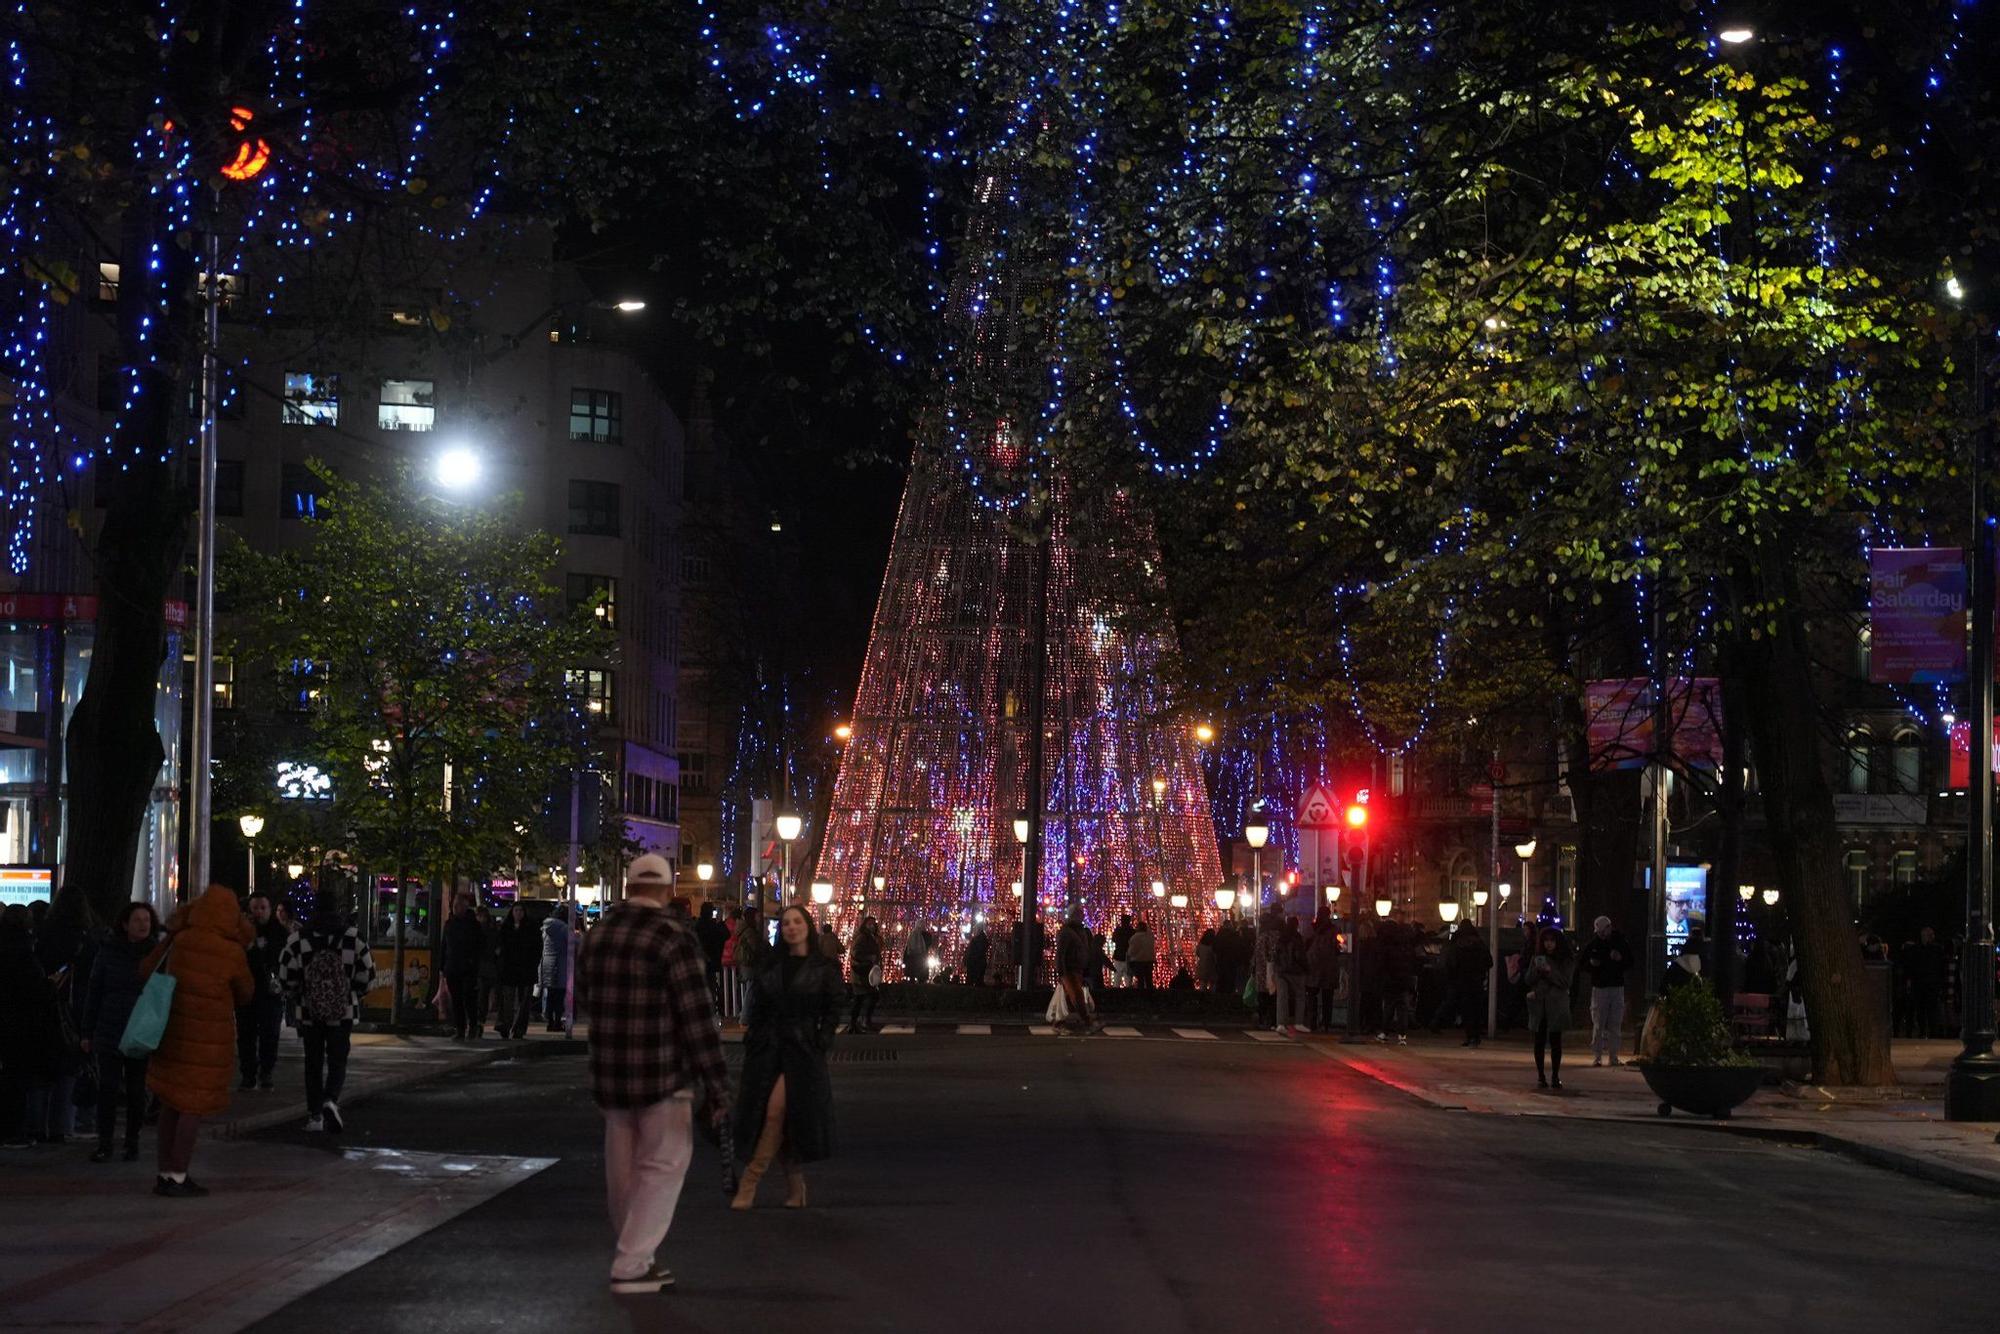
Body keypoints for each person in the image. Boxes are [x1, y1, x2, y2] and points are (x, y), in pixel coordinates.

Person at [576, 855, 728, 1294]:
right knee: (663, 1164)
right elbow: (695, 1016)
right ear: (664, 891)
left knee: (621, 1170)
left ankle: (635, 1253)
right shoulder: (671, 936)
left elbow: (585, 997)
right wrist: (716, 1083)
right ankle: (632, 1262)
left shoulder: (599, 934)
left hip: (610, 1073)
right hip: (662, 1073)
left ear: (628, 887)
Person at [144, 885, 254, 1196]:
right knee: (192, 1106)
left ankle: (164, 1172)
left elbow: (150, 971)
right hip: (208, 1038)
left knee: (170, 1103)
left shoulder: (180, 938)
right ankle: (179, 1175)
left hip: (172, 1031)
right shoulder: (231, 950)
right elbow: (246, 992)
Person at [732, 903, 842, 1211]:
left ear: (807, 925)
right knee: (784, 1118)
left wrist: (822, 1038)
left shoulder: (823, 968)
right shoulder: (772, 964)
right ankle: (796, 1186)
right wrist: (753, 1036)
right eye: (785, 923)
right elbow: (758, 1005)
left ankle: (749, 1182)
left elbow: (833, 1008)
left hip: (802, 1050)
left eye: (796, 921)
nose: (791, 927)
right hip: (768, 1048)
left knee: (775, 1112)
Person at [277, 889, 377, 1132]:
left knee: (312, 1062)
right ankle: (330, 1099)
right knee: (337, 1059)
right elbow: (368, 976)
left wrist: (301, 992)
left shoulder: (298, 940)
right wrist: (350, 993)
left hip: (308, 1012)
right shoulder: (354, 938)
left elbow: (285, 978)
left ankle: (314, 1116)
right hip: (343, 1011)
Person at [81, 902, 161, 1161]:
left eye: (146, 920)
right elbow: (94, 991)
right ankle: (105, 1142)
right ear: (125, 924)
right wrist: (87, 1031)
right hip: (110, 1026)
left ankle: (132, 1141)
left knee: (137, 1089)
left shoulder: (157, 954)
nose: (142, 925)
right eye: (137, 920)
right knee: (108, 1087)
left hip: (141, 1027)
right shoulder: (108, 951)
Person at [0, 904, 63, 1150]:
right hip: (21, 1024)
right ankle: (14, 1130)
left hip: (7, 1020)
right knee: (17, 1079)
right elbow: (33, 990)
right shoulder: (25, 952)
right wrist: (50, 985)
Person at [236, 891, 288, 1092]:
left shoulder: (279, 932)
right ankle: (248, 1074)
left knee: (269, 1034)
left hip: (269, 991)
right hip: (247, 990)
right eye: (255, 908)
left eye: (262, 908)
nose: (259, 912)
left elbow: (280, 957)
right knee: (246, 1034)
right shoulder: (243, 932)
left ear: (270, 909)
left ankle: (266, 1071)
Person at [1523, 925, 1575, 1091]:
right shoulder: (1537, 957)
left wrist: (1549, 972)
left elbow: (1565, 981)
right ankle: (1541, 1075)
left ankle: (1555, 1075)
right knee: (1539, 1040)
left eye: (1552, 941)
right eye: (1546, 941)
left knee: (1555, 1041)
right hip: (1540, 1004)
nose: (1549, 944)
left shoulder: (1565, 959)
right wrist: (1538, 971)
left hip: (1556, 1004)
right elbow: (1528, 979)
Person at [1578, 915, 1633, 1066]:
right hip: (1601, 987)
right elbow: (1582, 964)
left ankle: (1613, 1056)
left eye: (1603, 931)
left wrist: (1620, 959)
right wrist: (1591, 965)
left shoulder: (1620, 943)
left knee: (1614, 1023)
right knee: (1599, 1023)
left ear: (1609, 928)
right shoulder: (1594, 944)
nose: (1601, 934)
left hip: (1614, 986)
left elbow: (1630, 962)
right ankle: (1598, 1056)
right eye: (1599, 931)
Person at [1437, 921, 1493, 1046]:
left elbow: (1451, 963)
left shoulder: (1457, 943)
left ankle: (1470, 1036)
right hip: (1477, 981)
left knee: (1466, 1010)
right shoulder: (1479, 943)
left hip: (1462, 981)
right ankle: (1476, 1036)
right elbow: (1489, 962)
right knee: (1477, 1010)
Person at [441, 893, 486, 1041]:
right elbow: (444, 945)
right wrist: (443, 966)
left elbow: (480, 947)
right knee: (456, 1000)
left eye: (458, 905)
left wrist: (473, 963)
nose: (455, 908)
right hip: (452, 967)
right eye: (454, 906)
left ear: (465, 906)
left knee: (469, 997)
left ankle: (472, 1025)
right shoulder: (450, 924)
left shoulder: (473, 925)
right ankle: (460, 1028)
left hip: (468, 968)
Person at [494, 903, 540, 1040]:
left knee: (524, 1001)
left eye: (521, 911)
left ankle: (519, 1028)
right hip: (509, 969)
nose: (518, 913)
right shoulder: (506, 928)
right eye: (516, 910)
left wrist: (533, 963)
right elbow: (500, 946)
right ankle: (505, 1025)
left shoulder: (530, 928)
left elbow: (537, 948)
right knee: (507, 999)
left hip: (526, 970)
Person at [1054, 908, 1093, 1032]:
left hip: (1075, 968)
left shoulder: (1078, 932)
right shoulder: (1069, 932)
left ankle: (1061, 1022)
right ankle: (1086, 1019)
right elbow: (1061, 953)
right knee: (1076, 994)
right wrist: (1062, 970)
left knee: (1070, 996)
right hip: (1070, 969)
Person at [1908, 926, 1948, 1038]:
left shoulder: (1930, 950)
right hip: (1925, 983)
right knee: (1925, 1009)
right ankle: (1927, 1031)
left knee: (1929, 1010)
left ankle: (1928, 1031)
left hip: (1928, 984)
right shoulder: (1933, 950)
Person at [846, 915, 883, 1032]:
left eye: (874, 924)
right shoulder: (862, 937)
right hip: (861, 972)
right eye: (870, 924)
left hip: (867, 972)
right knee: (863, 998)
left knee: (865, 998)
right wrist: (869, 958)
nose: (872, 926)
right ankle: (858, 1023)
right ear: (865, 925)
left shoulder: (871, 937)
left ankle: (861, 1022)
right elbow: (855, 953)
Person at [1306, 912, 1343, 1031]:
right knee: (1328, 997)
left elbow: (1305, 944)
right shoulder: (1335, 930)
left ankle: (1312, 1021)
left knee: (1312, 995)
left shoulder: (1311, 929)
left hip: (1313, 965)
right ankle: (1326, 1023)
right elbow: (1340, 946)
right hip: (1329, 966)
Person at [1273, 915, 1309, 1035]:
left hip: (1281, 971)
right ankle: (1298, 1021)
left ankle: (1281, 1023)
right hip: (1295, 971)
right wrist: (1306, 968)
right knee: (1300, 996)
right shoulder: (1297, 938)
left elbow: (1276, 954)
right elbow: (1300, 956)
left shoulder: (1281, 938)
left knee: (1282, 997)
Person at [540, 904, 573, 1031]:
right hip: (560, 963)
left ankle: (550, 1021)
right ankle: (558, 1021)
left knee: (550, 994)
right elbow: (572, 942)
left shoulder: (545, 927)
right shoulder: (564, 928)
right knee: (559, 995)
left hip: (547, 962)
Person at [1251, 911, 1280, 1027]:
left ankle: (1264, 1019)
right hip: (1269, 969)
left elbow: (1258, 954)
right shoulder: (1274, 936)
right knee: (1271, 996)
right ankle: (1270, 1020)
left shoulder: (1263, 936)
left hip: (1264, 970)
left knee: (1264, 996)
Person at [1126, 917, 1157, 992]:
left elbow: (1132, 951)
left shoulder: (1135, 938)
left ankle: (1142, 996)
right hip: (1149, 960)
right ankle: (1151, 996)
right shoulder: (1150, 937)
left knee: (1140, 980)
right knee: (1149, 979)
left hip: (1139, 961)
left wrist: (1129, 955)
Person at [963, 924, 990, 989]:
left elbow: (977, 951)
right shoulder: (980, 939)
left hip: (975, 962)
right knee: (976, 979)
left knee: (973, 979)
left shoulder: (979, 939)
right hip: (976, 962)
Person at [1111, 912, 1134, 988]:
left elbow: (1113, 939)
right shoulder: (1132, 931)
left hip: (1118, 955)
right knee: (1128, 977)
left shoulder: (1118, 930)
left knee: (1117, 976)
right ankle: (1128, 994)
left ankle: (1115, 994)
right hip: (1128, 956)